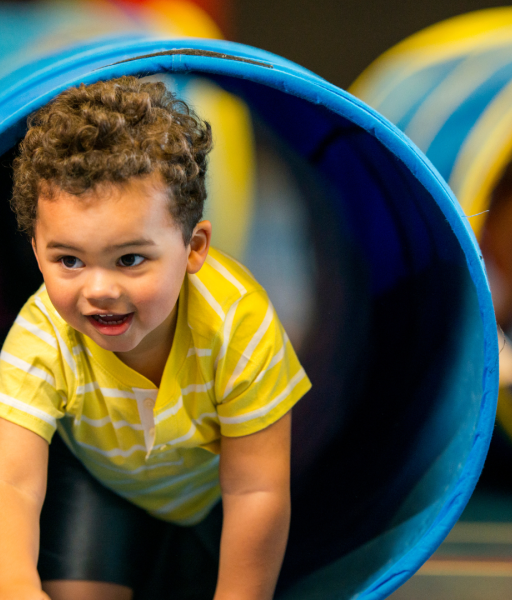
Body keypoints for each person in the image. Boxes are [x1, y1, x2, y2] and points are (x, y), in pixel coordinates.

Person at [0, 76, 311, 600]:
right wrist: (15, 586)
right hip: (104, 484)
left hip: (215, 492)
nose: (99, 290)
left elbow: (256, 488)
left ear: (193, 248)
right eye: (68, 260)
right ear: (36, 252)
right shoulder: (41, 339)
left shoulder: (237, 323)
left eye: (130, 259)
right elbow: (13, 484)